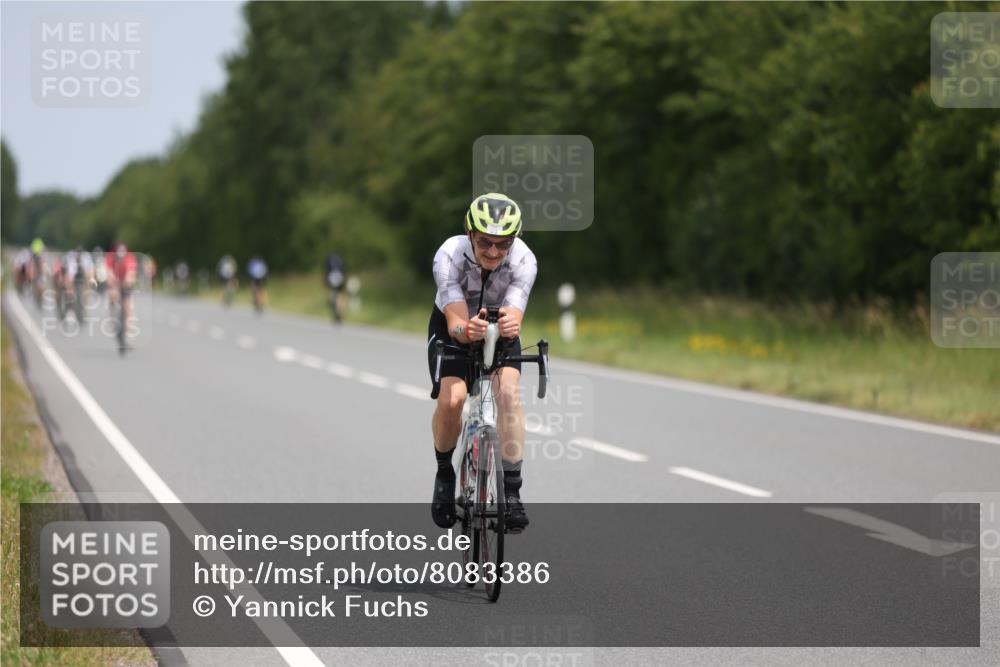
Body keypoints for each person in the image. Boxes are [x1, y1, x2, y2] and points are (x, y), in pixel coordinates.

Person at [427, 192, 537, 531]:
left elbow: (514, 311)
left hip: (498, 327)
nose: (493, 252)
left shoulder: (524, 260)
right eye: (485, 242)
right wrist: (466, 328)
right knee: (453, 398)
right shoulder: (449, 255)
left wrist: (510, 324)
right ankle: (445, 475)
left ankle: (513, 493)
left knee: (508, 395)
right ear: (470, 234)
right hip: (455, 323)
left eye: (503, 244)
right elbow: (457, 323)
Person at [106, 242, 138, 346]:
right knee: (112, 294)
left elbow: (131, 273)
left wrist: (128, 281)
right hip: (115, 281)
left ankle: (128, 332)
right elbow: (108, 272)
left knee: (128, 305)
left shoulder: (130, 258)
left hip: (125, 282)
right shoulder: (111, 258)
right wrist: (112, 282)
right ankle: (113, 316)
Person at [324, 252, 346, 323]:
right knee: (339, 295)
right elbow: (344, 270)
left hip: (332, 277)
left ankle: (335, 310)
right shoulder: (341, 260)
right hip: (340, 277)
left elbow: (327, 271)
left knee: (332, 295)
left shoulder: (329, 260)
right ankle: (339, 312)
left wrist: (326, 282)